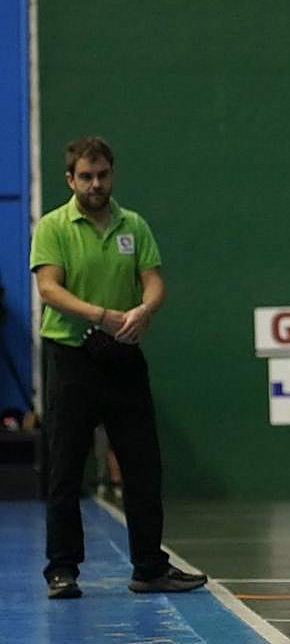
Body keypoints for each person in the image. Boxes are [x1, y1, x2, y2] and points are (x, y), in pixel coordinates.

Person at [30, 136, 206, 599]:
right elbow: (49, 289)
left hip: (124, 360)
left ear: (112, 175)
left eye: (102, 175)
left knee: (143, 467)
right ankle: (62, 570)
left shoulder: (134, 226)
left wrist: (142, 313)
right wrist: (100, 316)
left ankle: (150, 568)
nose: (95, 184)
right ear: (71, 179)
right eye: (85, 176)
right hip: (72, 359)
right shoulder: (53, 227)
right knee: (66, 468)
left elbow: (154, 284)